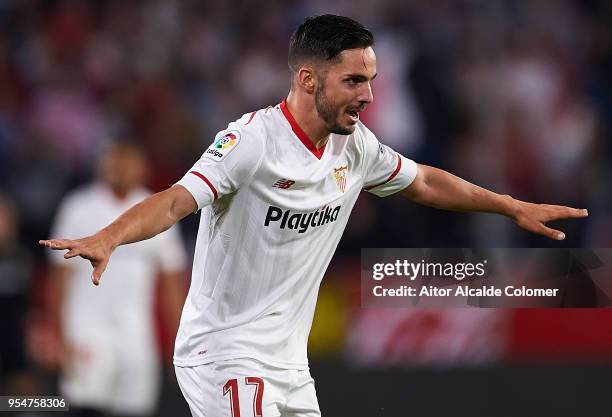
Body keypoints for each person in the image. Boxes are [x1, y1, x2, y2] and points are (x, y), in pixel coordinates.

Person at [41, 15, 588, 417]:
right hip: (226, 355)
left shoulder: (357, 146)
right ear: (308, 80)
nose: (369, 95)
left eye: (370, 79)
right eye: (354, 81)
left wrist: (510, 205)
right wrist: (112, 236)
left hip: (290, 367)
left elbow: (422, 180)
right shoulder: (249, 142)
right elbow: (176, 200)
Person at [47, 141, 188, 417]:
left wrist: (178, 342)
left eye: (127, 163)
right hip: (86, 328)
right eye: (113, 162)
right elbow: (59, 281)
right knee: (84, 407)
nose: (120, 169)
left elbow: (172, 285)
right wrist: (59, 336)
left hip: (135, 333)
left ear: (142, 169)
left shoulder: (156, 210)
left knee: (134, 408)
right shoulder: (79, 207)